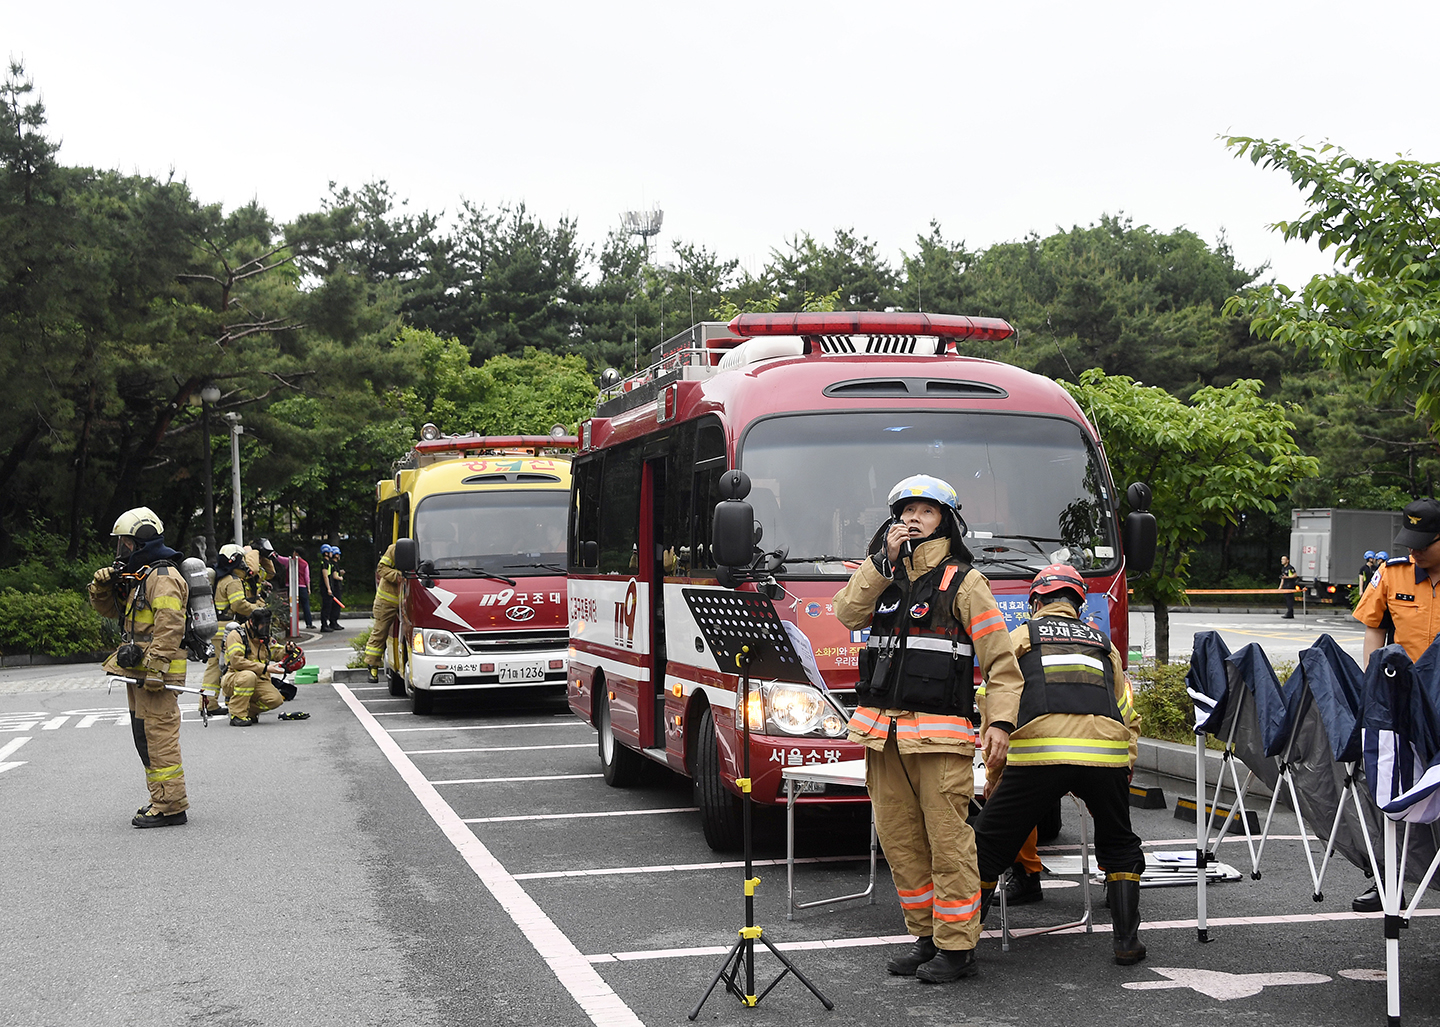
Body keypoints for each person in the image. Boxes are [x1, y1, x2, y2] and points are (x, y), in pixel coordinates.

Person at [834, 474, 1024, 984]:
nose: (913, 518)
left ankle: (958, 948)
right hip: (882, 734)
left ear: (947, 521)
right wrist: (879, 564)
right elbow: (845, 612)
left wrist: (1001, 721)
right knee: (900, 842)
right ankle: (926, 938)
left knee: (949, 844)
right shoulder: (884, 579)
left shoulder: (965, 582)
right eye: (906, 510)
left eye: (926, 510)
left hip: (940, 738)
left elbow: (1001, 663)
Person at [972, 563, 1147, 965]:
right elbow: (1126, 711)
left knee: (987, 846)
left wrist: (994, 775)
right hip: (1106, 757)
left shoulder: (1020, 637)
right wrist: (1125, 765)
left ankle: (961, 941)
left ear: (1035, 602)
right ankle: (1126, 943)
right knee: (1119, 845)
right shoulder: (1104, 644)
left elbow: (992, 702)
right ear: (1079, 604)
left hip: (1039, 757)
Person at [1350, 498, 1440, 912]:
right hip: (1401, 705)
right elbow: (1375, 633)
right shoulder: (1392, 573)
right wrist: (1374, 690)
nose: (1414, 551)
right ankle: (1389, 882)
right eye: (1410, 541)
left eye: (1424, 543)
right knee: (1388, 789)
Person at [87, 507, 191, 828]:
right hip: (141, 674)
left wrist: (158, 669)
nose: (122, 551)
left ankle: (171, 806)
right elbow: (112, 611)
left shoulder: (162, 577)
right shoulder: (141, 576)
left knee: (158, 736)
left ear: (141, 541)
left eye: (125, 544)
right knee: (144, 736)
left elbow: (170, 625)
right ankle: (161, 797)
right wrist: (102, 586)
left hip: (155, 675)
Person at [200, 543, 260, 716]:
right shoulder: (232, 581)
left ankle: (207, 703)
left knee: (213, 667)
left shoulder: (220, 578)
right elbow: (238, 605)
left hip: (214, 627)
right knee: (226, 666)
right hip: (224, 629)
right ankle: (230, 702)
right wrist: (256, 608)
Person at [222, 607, 308, 725]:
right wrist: (265, 668)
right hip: (235, 677)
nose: (265, 627)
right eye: (262, 624)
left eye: (267, 624)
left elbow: (274, 652)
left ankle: (249, 712)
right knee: (248, 676)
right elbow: (237, 662)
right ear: (252, 622)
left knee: (275, 700)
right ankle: (237, 714)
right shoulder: (236, 635)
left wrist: (286, 650)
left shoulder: (263, 636)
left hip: (259, 679)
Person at [363, 543, 403, 684]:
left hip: (407, 599)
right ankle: (372, 665)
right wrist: (399, 576)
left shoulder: (426, 549)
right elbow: (381, 568)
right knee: (380, 632)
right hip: (387, 600)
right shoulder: (395, 548)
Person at [271, 546, 315, 630]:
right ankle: (309, 623)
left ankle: (290, 624)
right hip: (302, 586)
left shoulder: (289, 561)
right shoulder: (305, 563)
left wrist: (274, 553)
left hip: (290, 585)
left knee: (290, 605)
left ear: (296, 553)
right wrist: (308, 588)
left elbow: (280, 558)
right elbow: (307, 577)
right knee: (305, 605)